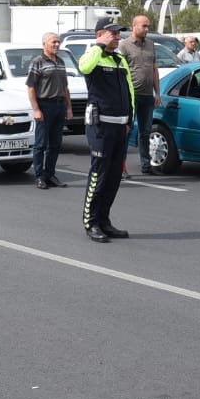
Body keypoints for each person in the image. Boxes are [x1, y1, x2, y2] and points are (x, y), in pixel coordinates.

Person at [78, 18, 134, 243]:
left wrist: (131, 117)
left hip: (121, 126)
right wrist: (100, 45)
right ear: (100, 34)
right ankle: (90, 223)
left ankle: (104, 220)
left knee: (113, 178)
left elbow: (129, 88)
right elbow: (84, 67)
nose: (117, 37)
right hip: (101, 125)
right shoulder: (93, 54)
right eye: (113, 33)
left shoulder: (119, 59)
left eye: (118, 33)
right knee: (98, 176)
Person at [116, 15, 163, 175]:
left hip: (147, 95)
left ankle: (146, 165)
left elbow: (154, 69)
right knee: (126, 130)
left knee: (146, 131)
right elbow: (120, 72)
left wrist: (157, 93)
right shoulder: (124, 46)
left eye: (148, 26)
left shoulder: (150, 45)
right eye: (144, 26)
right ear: (134, 26)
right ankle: (121, 167)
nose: (147, 29)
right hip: (131, 95)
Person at [25, 32, 71, 190]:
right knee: (40, 144)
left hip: (59, 106)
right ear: (44, 44)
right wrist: (36, 109)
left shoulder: (61, 61)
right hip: (45, 106)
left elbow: (65, 87)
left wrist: (68, 107)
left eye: (58, 42)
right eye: (54, 42)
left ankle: (49, 174)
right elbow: (31, 88)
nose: (57, 45)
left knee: (56, 144)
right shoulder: (38, 62)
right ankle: (39, 176)